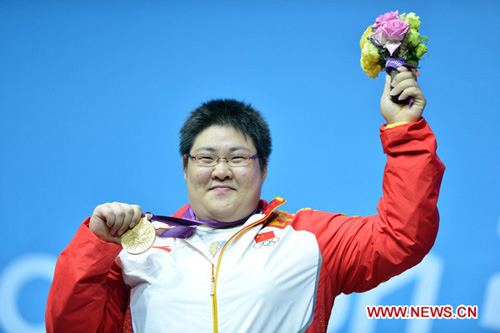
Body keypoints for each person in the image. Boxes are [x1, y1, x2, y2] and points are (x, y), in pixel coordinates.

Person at [46, 67, 445, 332]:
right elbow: (69, 327)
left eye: (237, 158)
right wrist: (94, 247)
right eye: (206, 158)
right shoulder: (137, 249)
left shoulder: (310, 239)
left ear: (263, 169)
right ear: (185, 168)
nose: (221, 170)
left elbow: (400, 236)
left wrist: (403, 131)